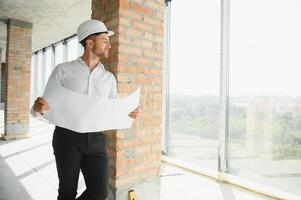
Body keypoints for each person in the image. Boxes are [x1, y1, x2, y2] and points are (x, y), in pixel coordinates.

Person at [31, 19, 140, 200]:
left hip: (97, 140)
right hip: (66, 138)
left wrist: (126, 114)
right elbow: (43, 106)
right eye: (105, 41)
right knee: (67, 192)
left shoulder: (108, 79)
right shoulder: (63, 71)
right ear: (90, 43)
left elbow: (111, 112)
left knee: (99, 192)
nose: (109, 46)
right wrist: (37, 107)